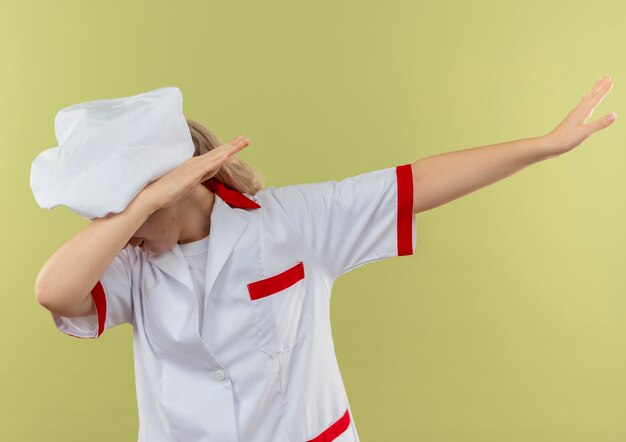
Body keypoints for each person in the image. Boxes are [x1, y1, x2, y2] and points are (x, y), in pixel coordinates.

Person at [35, 74, 616, 442]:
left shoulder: (295, 224)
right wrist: (142, 207)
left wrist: (544, 146)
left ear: (184, 181)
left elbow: (415, 183)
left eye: (126, 209)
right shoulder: (129, 259)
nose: (118, 229)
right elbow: (53, 291)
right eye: (108, 217)